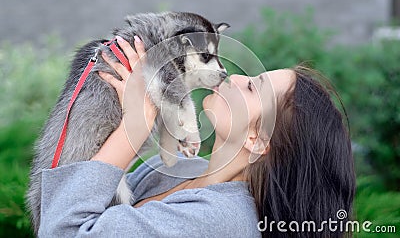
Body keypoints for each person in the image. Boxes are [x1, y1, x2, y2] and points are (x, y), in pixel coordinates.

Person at [38, 36, 356, 237]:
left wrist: (135, 127)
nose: (236, 76)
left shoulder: (219, 220)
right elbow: (85, 206)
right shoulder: (176, 170)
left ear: (257, 141)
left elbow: (61, 230)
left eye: (251, 87)